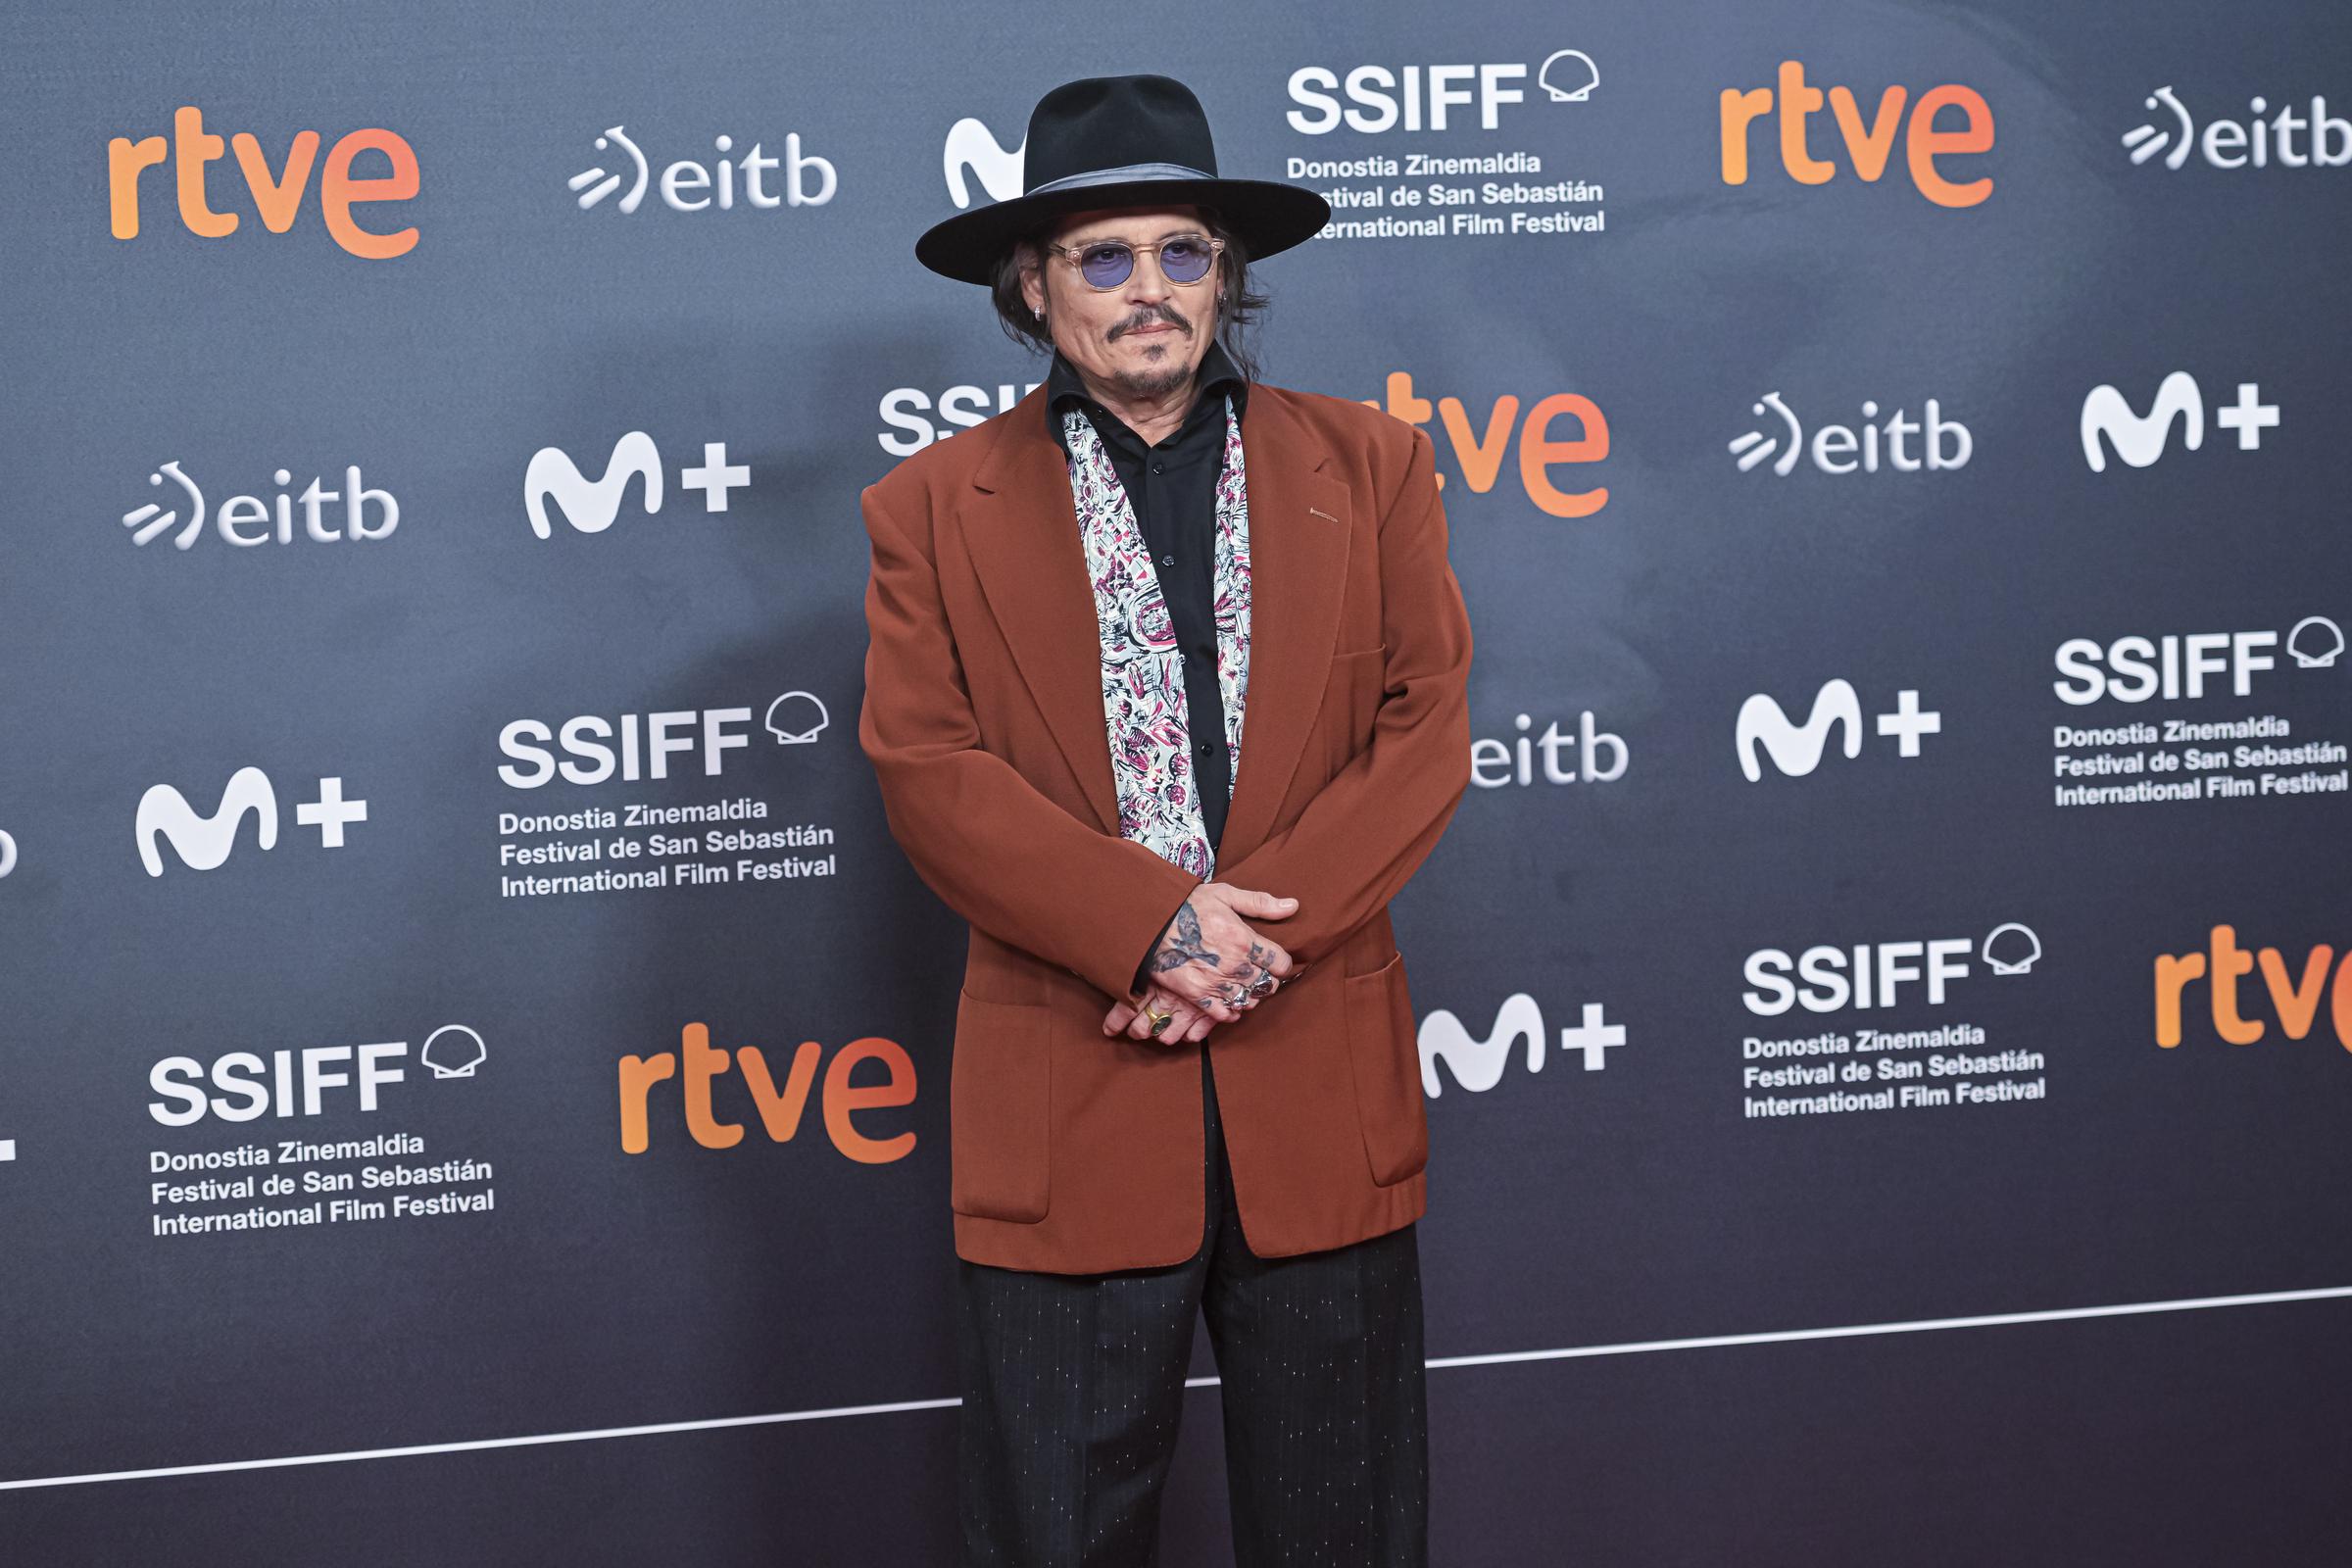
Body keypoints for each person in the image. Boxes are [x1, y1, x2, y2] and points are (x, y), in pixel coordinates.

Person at [858, 73, 1474, 1567]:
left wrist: (1244, 944)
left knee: (1347, 1535)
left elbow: (1424, 726)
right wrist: (1148, 928)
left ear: (1227, 278)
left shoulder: (1370, 466)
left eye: (1183, 252)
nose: (1151, 291)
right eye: (1104, 257)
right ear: (1033, 285)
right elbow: (929, 770)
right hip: (1069, 1092)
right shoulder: (930, 507)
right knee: (1056, 1539)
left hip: (1314, 1082)